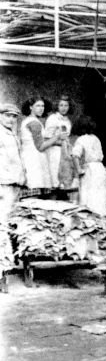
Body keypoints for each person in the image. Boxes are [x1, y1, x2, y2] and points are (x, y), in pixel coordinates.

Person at [0, 102, 26, 293]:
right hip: (3, 185)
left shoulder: (12, 135)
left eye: (14, 117)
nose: (11, 119)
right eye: (7, 115)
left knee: (7, 226)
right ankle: (1, 275)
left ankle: (5, 270)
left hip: (13, 185)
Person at [20, 96, 60, 194]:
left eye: (43, 106)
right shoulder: (34, 123)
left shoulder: (28, 120)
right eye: (38, 106)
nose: (41, 108)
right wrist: (57, 137)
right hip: (34, 160)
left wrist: (56, 142)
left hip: (30, 157)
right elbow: (41, 147)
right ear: (30, 107)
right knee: (35, 190)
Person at [70, 116, 106, 217]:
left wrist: (79, 170)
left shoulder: (81, 139)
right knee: (100, 198)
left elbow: (75, 155)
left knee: (88, 198)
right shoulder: (96, 138)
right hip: (100, 169)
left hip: (90, 170)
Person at [44, 95, 75, 194]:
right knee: (54, 175)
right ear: (57, 106)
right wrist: (60, 142)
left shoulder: (67, 120)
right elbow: (47, 138)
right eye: (61, 105)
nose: (63, 108)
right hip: (54, 150)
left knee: (65, 175)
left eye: (66, 105)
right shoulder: (53, 118)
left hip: (64, 151)